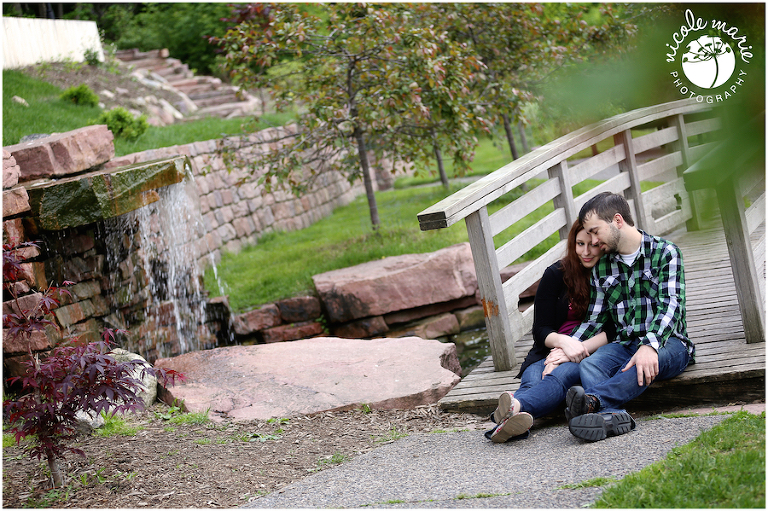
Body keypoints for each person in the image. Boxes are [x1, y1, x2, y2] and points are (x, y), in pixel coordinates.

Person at [564, 192, 695, 442]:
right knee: (591, 364)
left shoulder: (666, 252)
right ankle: (612, 417)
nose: (593, 241)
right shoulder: (603, 265)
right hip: (624, 344)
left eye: (595, 231)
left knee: (643, 360)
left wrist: (650, 345)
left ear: (617, 220)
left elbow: (671, 307)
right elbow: (594, 320)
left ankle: (592, 402)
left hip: (669, 343)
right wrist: (567, 346)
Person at [487, 219, 620, 443]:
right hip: (549, 351)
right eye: (580, 244)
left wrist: (575, 349)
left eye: (593, 245)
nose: (586, 252)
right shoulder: (556, 274)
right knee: (533, 379)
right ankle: (515, 423)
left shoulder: (612, 274)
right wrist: (564, 344)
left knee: (558, 377)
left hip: (589, 352)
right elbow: (541, 329)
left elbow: (615, 328)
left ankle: (514, 408)